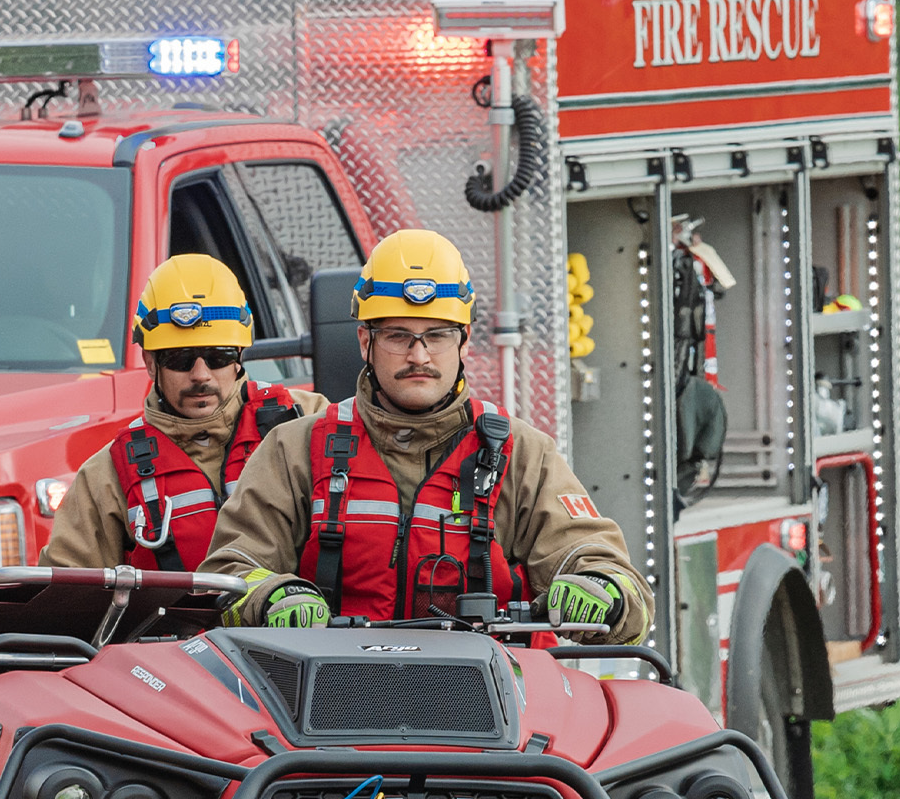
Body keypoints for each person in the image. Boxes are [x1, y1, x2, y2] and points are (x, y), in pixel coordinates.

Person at [201, 228, 650, 639]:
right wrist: (272, 596)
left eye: (436, 335)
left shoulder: (522, 453)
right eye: (398, 335)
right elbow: (231, 571)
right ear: (365, 341)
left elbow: (602, 563)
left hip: (489, 707)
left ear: (465, 341)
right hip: (323, 701)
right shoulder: (295, 449)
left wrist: (600, 588)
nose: (419, 355)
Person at [40, 254, 323, 569]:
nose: (201, 375)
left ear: (240, 356)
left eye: (218, 356)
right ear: (150, 363)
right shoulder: (106, 477)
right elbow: (67, 597)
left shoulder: (307, 420)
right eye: (180, 358)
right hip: (177, 621)